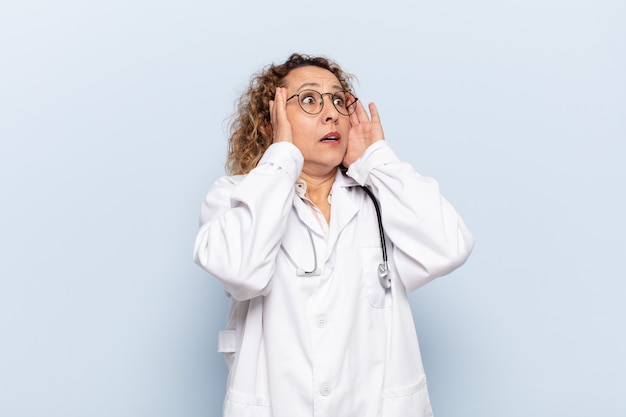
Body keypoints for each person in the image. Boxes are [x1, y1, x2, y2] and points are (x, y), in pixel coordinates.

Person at [193, 53, 474, 417]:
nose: (331, 113)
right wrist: (281, 156)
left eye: (338, 100)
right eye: (309, 100)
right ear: (272, 120)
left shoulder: (377, 198)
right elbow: (241, 270)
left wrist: (374, 159)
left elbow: (448, 247)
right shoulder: (234, 197)